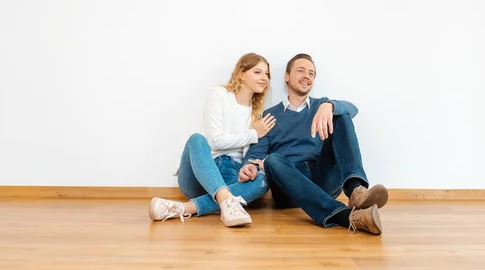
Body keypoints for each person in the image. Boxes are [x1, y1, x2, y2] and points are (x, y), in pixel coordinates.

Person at [239, 53, 388, 235]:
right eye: (300, 71)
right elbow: (254, 156)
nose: (307, 76)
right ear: (287, 76)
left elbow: (353, 109)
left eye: (311, 73)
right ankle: (346, 216)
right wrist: (249, 166)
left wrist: (330, 105)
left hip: (321, 178)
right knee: (272, 161)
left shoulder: (322, 106)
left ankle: (355, 190)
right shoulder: (271, 115)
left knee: (341, 115)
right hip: (289, 185)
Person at [149, 53, 275, 227]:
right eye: (258, 72)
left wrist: (252, 166)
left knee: (263, 180)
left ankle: (186, 208)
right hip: (204, 170)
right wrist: (253, 134)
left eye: (267, 74)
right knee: (196, 139)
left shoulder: (258, 112)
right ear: (241, 73)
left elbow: (254, 152)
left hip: (232, 175)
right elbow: (216, 141)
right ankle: (226, 200)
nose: (264, 78)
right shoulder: (219, 94)